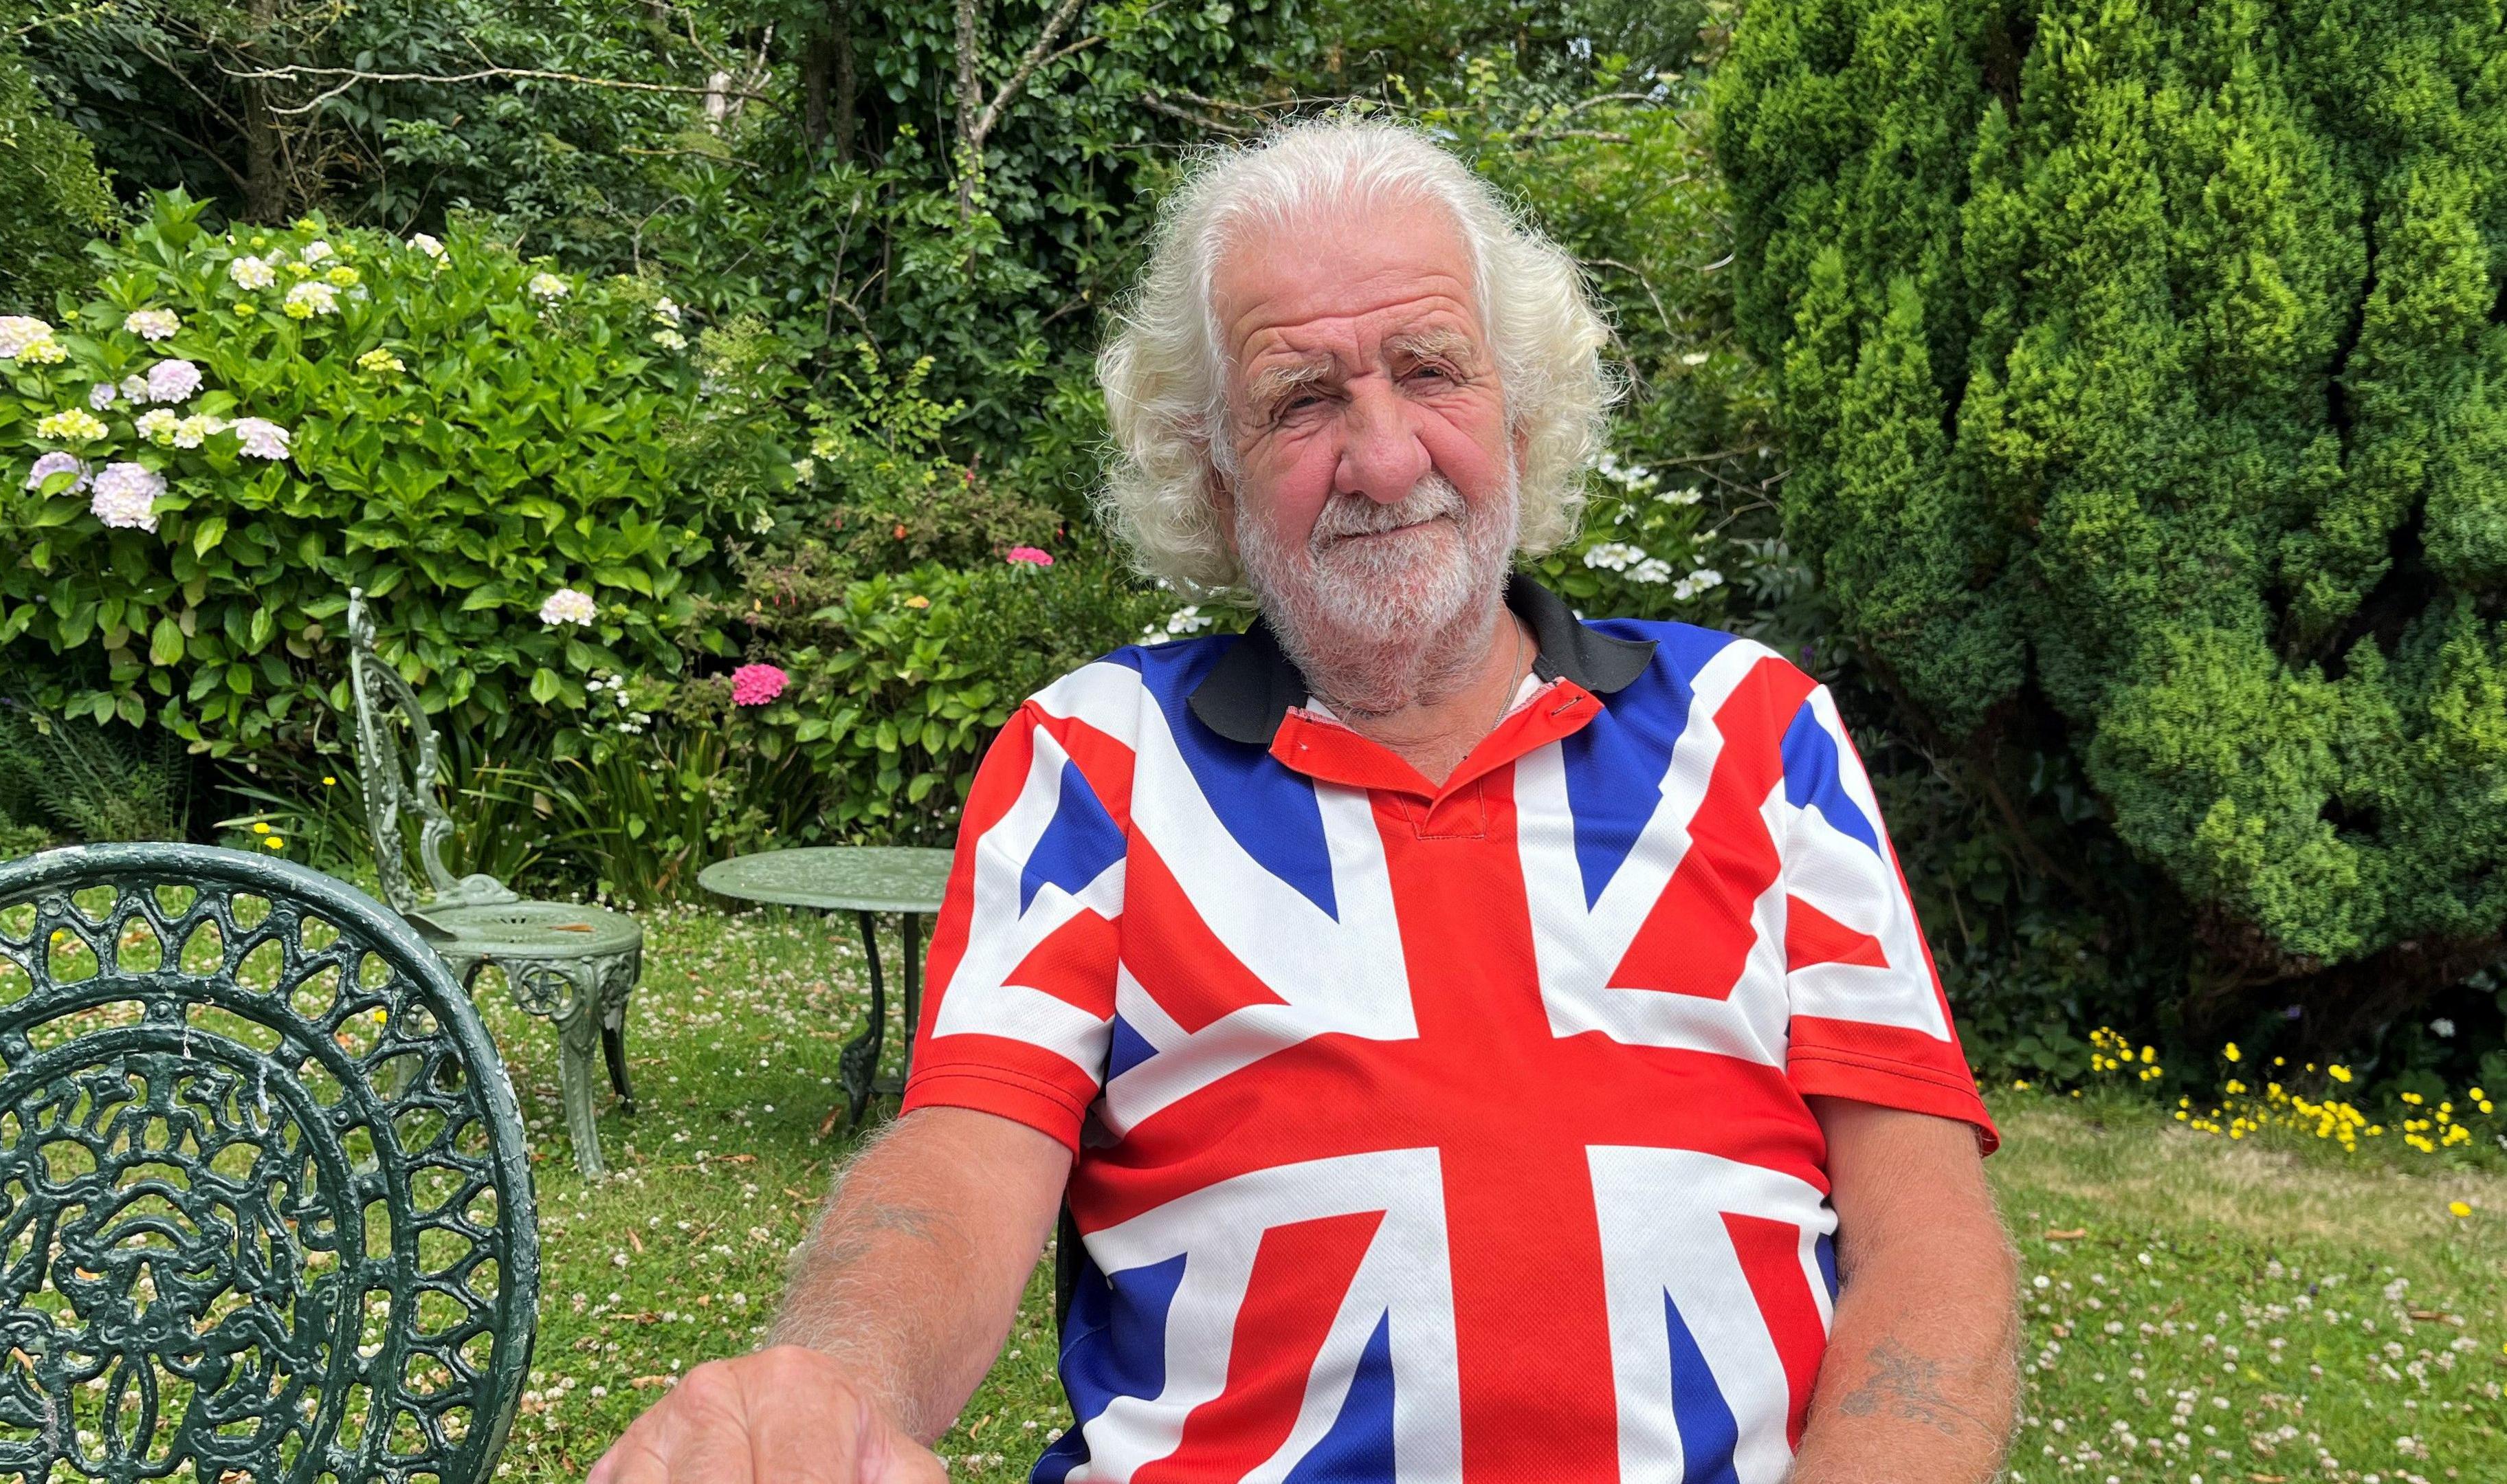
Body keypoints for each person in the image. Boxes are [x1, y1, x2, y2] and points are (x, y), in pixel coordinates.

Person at [590, 117, 2018, 1484]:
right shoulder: (1096, 759)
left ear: (1521, 416)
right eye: (1302, 401)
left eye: (1432, 371)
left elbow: (1930, 1242)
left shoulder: (1756, 731)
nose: (1385, 457)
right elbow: (961, 1169)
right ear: (1212, 483)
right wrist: (837, 1379)